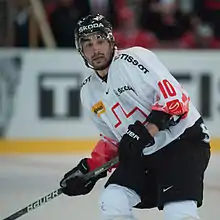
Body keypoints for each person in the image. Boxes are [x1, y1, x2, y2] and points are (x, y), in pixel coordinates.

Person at [59, 14, 211, 220]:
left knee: (178, 211)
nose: (95, 49)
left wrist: (148, 130)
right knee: (113, 200)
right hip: (145, 154)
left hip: (183, 142)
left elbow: (176, 98)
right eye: (87, 44)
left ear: (111, 41)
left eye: (100, 41)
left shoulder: (135, 58)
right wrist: (89, 170)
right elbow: (114, 140)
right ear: (81, 51)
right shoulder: (88, 91)